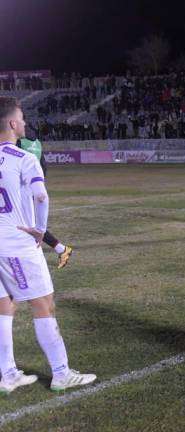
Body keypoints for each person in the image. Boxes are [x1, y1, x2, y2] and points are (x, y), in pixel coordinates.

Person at [0, 97, 96, 394]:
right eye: (23, 119)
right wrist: (40, 231)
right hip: (16, 245)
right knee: (44, 305)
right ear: (13, 124)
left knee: (4, 307)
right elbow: (42, 197)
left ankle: (8, 374)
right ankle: (61, 372)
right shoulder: (23, 158)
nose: (25, 123)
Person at [17, 130, 74, 268]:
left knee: (26, 224)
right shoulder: (36, 142)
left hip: (21, 188)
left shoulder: (18, 141)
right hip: (32, 186)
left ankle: (61, 249)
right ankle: (61, 249)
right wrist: (38, 185)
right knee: (28, 224)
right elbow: (43, 165)